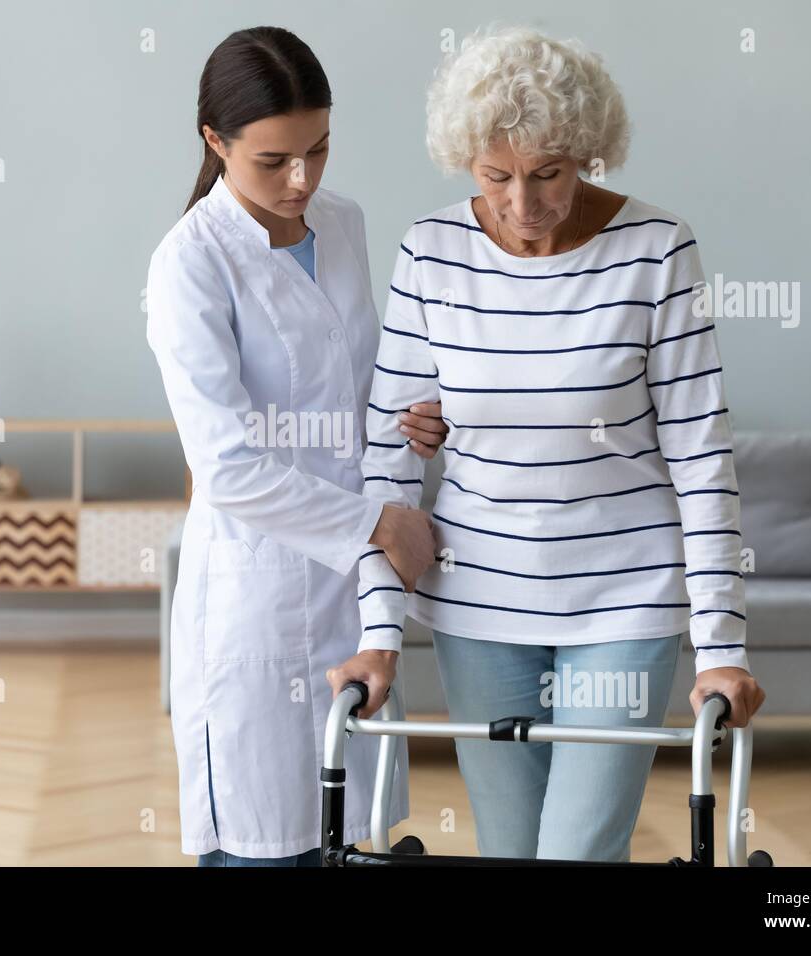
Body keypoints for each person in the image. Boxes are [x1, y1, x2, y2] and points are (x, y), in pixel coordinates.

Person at [327, 24, 766, 862]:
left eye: (548, 174)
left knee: (576, 852)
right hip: (477, 598)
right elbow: (388, 463)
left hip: (625, 597)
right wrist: (378, 638)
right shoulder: (431, 254)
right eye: (497, 177)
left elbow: (703, 460)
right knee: (509, 848)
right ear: (467, 162)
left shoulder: (657, 251)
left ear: (589, 155)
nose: (522, 205)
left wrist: (722, 648)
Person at [145, 26, 446, 866]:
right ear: (215, 141)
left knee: (353, 842)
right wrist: (379, 526)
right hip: (256, 594)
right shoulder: (190, 264)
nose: (302, 179)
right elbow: (229, 469)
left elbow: (354, 389)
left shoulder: (342, 225)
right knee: (264, 842)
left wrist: (409, 421)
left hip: (351, 599)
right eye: (274, 161)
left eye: (318, 149)